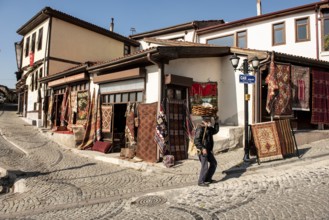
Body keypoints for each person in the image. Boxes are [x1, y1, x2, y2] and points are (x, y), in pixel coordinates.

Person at [194, 115, 219, 187]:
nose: (210, 122)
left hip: (208, 150)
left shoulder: (208, 128)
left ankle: (208, 179)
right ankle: (201, 182)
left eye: (211, 120)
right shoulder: (200, 128)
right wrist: (202, 148)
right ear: (205, 121)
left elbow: (215, 131)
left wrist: (216, 122)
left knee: (214, 163)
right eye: (209, 120)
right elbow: (196, 140)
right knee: (205, 166)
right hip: (203, 151)